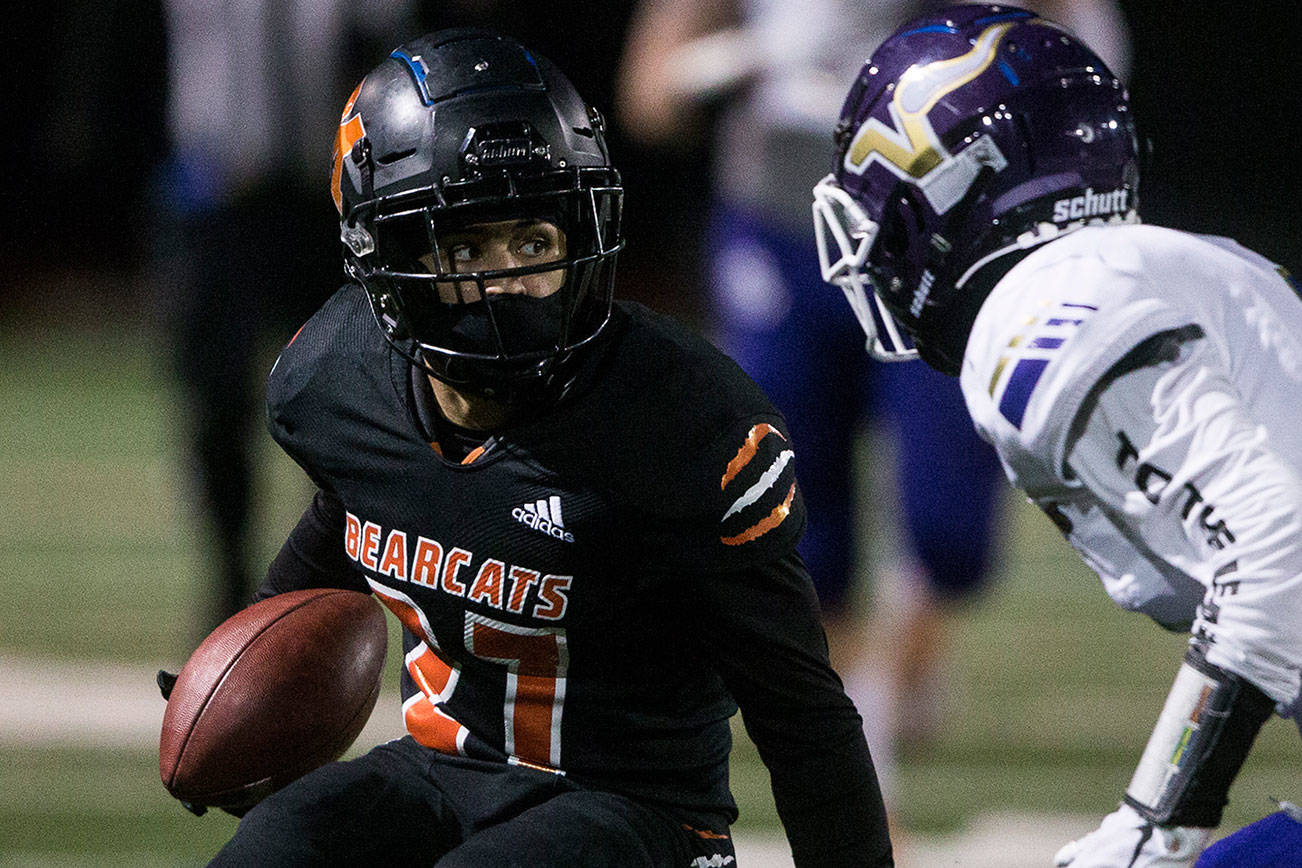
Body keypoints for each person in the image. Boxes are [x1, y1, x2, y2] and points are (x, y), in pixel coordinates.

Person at [190, 29, 893, 867]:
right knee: (269, 855)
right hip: (444, 770)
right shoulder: (343, 383)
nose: (509, 282)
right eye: (466, 248)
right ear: (388, 256)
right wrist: (240, 677)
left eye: (533, 242)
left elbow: (801, 714)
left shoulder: (683, 424)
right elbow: (351, 512)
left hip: (638, 812)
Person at [811, 4, 1302, 866]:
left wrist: (1151, 829)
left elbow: (1279, 553)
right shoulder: (1179, 265)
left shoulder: (1040, 310)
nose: (874, 249)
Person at [616, 0, 1126, 802]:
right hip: (783, 222)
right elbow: (649, 97)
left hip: (944, 229)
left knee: (949, 529)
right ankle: (862, 744)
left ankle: (905, 653)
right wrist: (739, 62)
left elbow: (1091, 66)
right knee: (797, 524)